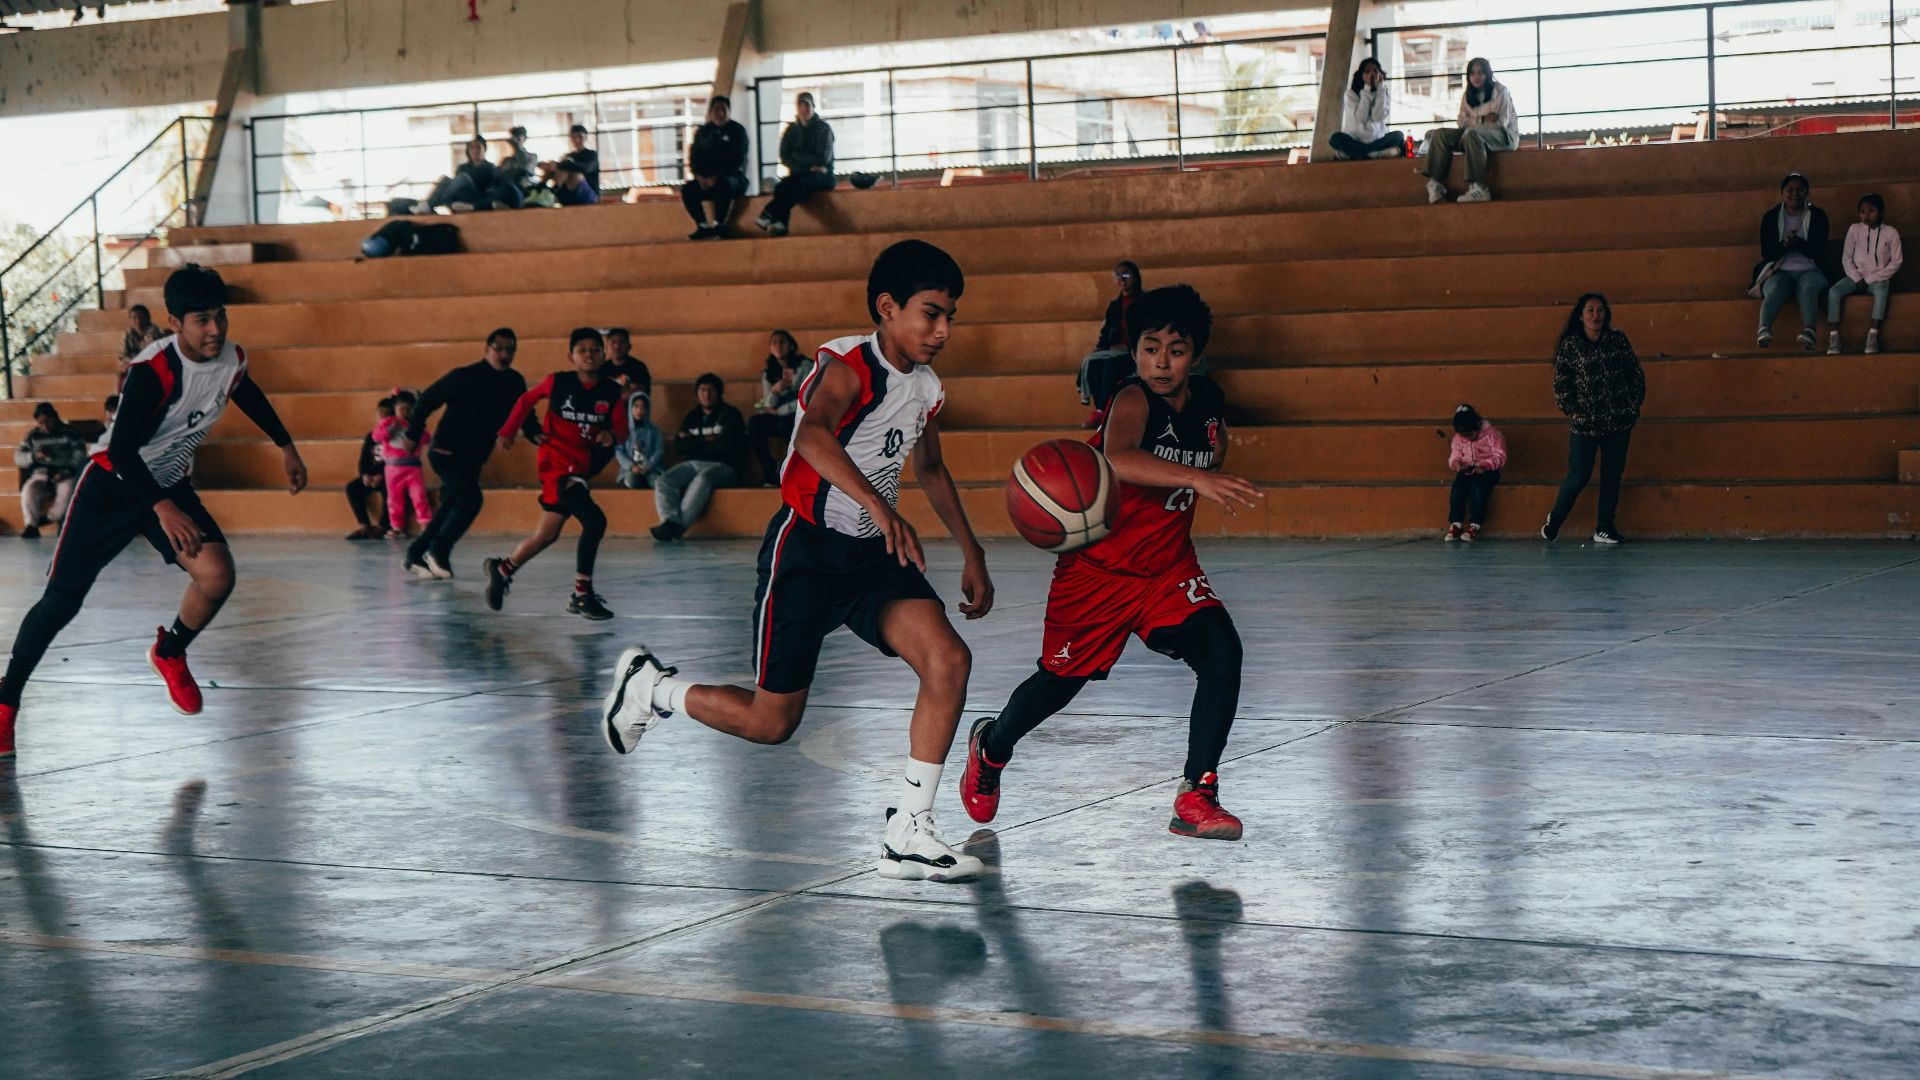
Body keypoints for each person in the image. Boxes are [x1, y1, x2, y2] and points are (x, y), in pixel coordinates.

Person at [599, 240, 995, 882]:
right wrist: (881, 503)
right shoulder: (846, 365)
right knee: (771, 720)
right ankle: (653, 687)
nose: (943, 330)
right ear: (887, 308)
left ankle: (909, 827)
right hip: (806, 552)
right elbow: (810, 435)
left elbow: (930, 466)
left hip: (871, 556)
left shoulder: (924, 389)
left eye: (951, 315)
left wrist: (971, 549)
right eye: (931, 314)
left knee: (949, 660)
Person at [958, 285, 1262, 842]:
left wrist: (1203, 470)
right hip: (1097, 572)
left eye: (1175, 349)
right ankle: (991, 747)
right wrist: (1196, 477)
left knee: (1223, 652)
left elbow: (1209, 451)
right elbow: (1119, 458)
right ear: (1135, 352)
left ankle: (1197, 793)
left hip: (1167, 569)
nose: (1161, 362)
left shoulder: (1209, 403)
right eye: (1150, 348)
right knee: (1060, 683)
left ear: (1195, 354)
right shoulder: (1132, 400)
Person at [0, 265, 308, 757]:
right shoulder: (153, 370)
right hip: (111, 487)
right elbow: (122, 451)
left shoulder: (231, 360)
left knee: (216, 576)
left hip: (167, 485)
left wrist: (286, 444)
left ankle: (170, 652)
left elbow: (244, 388)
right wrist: (162, 508)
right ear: (175, 322)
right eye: (201, 320)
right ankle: (5, 702)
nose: (215, 330)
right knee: (63, 600)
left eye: (220, 318)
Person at [484, 328, 628, 621]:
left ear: (604, 355)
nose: (589, 354)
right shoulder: (559, 382)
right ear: (571, 356)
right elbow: (526, 401)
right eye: (582, 350)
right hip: (557, 465)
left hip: (581, 466)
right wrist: (509, 432)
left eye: (595, 350)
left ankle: (503, 570)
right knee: (595, 520)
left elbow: (622, 430)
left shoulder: (611, 391)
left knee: (547, 535)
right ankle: (582, 594)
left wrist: (611, 437)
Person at [401, 328, 528, 580]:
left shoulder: (515, 382)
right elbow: (427, 399)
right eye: (498, 348)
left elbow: (525, 415)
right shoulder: (465, 376)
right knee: (471, 499)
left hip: (474, 457)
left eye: (510, 349)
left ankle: (416, 553)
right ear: (487, 349)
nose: (504, 354)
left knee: (450, 503)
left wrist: (538, 435)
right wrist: (413, 433)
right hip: (445, 451)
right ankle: (439, 550)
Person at [1543, 293, 1644, 545]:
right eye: (1590, 310)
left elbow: (1635, 373)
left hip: (1618, 422)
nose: (1595, 315)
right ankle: (1555, 520)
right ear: (1581, 315)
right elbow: (1561, 384)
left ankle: (1604, 527)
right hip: (1585, 425)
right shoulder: (1571, 345)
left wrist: (1632, 407)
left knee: (1612, 475)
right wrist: (1573, 410)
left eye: (1600, 310)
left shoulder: (1617, 340)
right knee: (1579, 475)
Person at [651, 373, 747, 541]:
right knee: (663, 481)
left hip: (724, 466)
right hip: (692, 464)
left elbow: (725, 447)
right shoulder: (692, 417)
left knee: (703, 479)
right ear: (697, 393)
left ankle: (677, 528)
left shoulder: (731, 415)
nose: (706, 394)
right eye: (702, 390)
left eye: (711, 390)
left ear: (719, 392)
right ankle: (669, 521)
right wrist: (705, 440)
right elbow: (679, 446)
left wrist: (693, 441)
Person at [1420, 57, 1519, 205]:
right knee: (1440, 134)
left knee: (1473, 134)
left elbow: (1500, 123)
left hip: (1505, 136)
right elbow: (1461, 122)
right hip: (1471, 134)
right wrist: (1482, 120)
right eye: (1472, 73)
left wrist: (1472, 123)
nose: (1476, 77)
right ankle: (1435, 183)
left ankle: (1480, 187)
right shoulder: (1468, 95)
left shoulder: (1500, 91)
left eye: (1481, 72)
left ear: (1488, 74)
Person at [1751, 172, 1831, 351]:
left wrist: (1799, 244)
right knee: (1774, 287)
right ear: (1782, 193)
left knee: (1807, 287)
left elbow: (1819, 250)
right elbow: (1767, 253)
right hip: (1780, 269)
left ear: (1807, 192)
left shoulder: (1818, 216)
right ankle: (1763, 329)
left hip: (1812, 269)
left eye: (1800, 190)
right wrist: (1785, 245)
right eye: (1790, 189)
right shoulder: (1771, 217)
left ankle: (1809, 331)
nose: (1795, 193)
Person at [1828, 192, 1901, 356]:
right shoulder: (1854, 229)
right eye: (1862, 211)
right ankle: (1834, 337)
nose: (1866, 215)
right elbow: (1846, 258)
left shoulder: (1891, 233)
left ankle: (1872, 335)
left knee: (1882, 291)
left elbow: (1896, 261)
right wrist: (1857, 278)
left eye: (1871, 211)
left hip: (1877, 278)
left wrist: (1871, 279)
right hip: (1855, 277)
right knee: (1834, 292)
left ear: (1881, 212)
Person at [756, 92, 835, 237]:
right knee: (781, 187)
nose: (804, 108)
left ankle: (769, 212)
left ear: (813, 107)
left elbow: (823, 158)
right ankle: (780, 224)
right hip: (803, 173)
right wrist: (808, 166)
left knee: (800, 184)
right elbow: (785, 157)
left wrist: (797, 158)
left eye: (807, 105)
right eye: (801, 105)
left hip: (822, 176)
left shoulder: (823, 129)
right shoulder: (791, 130)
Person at [1078, 261, 1144, 428]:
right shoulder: (1114, 306)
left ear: (1135, 278)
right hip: (1115, 351)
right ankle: (1101, 411)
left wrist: (1128, 347)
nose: (1122, 279)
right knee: (1094, 363)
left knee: (1110, 365)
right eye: (1118, 276)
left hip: (1135, 353)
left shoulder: (1146, 303)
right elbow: (1107, 332)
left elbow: (1148, 332)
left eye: (1126, 275)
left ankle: (1102, 411)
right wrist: (1102, 347)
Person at [682, 96, 750, 241]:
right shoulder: (703, 133)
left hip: (733, 178)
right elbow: (694, 157)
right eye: (716, 110)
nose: (720, 113)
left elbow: (737, 160)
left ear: (728, 112)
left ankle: (719, 225)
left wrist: (717, 176)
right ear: (710, 112)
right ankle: (702, 226)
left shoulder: (738, 131)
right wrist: (699, 176)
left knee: (723, 185)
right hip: (706, 179)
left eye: (723, 110)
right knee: (688, 189)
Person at [15, 403, 87, 539]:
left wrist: (67, 471)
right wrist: (34, 456)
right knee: (29, 491)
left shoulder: (71, 432)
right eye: (41, 423)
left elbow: (80, 455)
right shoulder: (33, 436)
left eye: (48, 421)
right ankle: (32, 525)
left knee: (66, 492)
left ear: (55, 417)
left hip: (66, 472)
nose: (45, 426)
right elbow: (18, 457)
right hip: (41, 473)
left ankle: (53, 518)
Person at [748, 330, 803, 485]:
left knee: (785, 424)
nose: (778, 346)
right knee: (755, 423)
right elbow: (768, 404)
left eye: (782, 342)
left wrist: (779, 411)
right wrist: (775, 390)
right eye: (774, 343)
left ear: (791, 346)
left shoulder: (804, 365)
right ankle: (769, 467)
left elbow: (806, 398)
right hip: (779, 415)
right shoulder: (769, 372)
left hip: (800, 413)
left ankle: (797, 469)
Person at [1444, 403, 1506, 542]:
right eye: (1463, 435)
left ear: (1477, 426)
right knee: (1457, 489)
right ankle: (1456, 523)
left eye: (1470, 434)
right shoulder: (1458, 439)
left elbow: (1499, 455)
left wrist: (1485, 466)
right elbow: (1455, 455)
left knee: (1477, 489)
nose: (1467, 438)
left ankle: (1475, 524)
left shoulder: (1492, 435)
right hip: (1467, 469)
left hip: (1488, 470)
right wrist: (1456, 463)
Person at [374, 390, 432, 537]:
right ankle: (397, 527)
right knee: (394, 499)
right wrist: (392, 429)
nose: (404, 412)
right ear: (395, 409)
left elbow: (426, 439)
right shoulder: (388, 422)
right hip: (393, 468)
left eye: (408, 409)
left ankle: (425, 523)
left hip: (413, 468)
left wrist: (417, 425)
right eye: (401, 409)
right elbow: (377, 436)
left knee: (419, 496)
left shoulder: (415, 424)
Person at [1329, 57, 1404, 160]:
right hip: (1355, 140)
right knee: (1335, 138)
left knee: (1399, 136)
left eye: (1375, 71)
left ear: (1380, 74)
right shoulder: (1350, 94)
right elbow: (1360, 118)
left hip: (1377, 140)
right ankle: (1373, 154)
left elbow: (1378, 117)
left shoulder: (1383, 93)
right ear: (1361, 75)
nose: (1372, 75)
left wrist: (1380, 89)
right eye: (1367, 71)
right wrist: (1367, 89)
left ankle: (1358, 154)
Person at [344, 398, 390, 541]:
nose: (383, 416)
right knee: (352, 488)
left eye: (387, 413)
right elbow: (363, 459)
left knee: (391, 490)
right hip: (371, 476)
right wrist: (365, 475)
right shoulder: (371, 436)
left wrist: (381, 476)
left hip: (389, 476)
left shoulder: (396, 436)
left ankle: (383, 525)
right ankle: (364, 525)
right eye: (380, 413)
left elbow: (393, 460)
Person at [418, 138, 500, 212]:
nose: (475, 150)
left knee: (463, 177)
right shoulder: (462, 167)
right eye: (471, 148)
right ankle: (429, 204)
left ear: (484, 149)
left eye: (478, 147)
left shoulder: (490, 168)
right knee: (445, 179)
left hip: (476, 198)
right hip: (461, 196)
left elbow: (492, 191)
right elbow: (454, 186)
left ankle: (434, 203)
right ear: (468, 151)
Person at [615, 391, 665, 489]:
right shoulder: (623, 429)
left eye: (643, 407)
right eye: (636, 406)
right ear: (630, 408)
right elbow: (619, 451)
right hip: (630, 470)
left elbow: (659, 450)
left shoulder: (653, 430)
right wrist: (631, 466)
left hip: (651, 469)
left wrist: (648, 465)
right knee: (631, 481)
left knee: (657, 483)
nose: (639, 410)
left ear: (647, 409)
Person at [538, 123, 600, 193]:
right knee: (555, 166)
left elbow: (587, 169)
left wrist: (567, 164)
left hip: (588, 193)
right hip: (569, 192)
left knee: (571, 171)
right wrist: (552, 166)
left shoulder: (592, 154)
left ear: (585, 137)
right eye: (574, 137)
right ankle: (541, 188)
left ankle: (552, 192)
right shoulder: (568, 156)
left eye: (580, 137)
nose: (577, 140)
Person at [597, 327, 652, 396]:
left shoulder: (638, 367)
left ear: (629, 347)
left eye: (621, 342)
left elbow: (637, 394)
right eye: (613, 342)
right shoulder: (602, 368)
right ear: (606, 348)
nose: (617, 346)